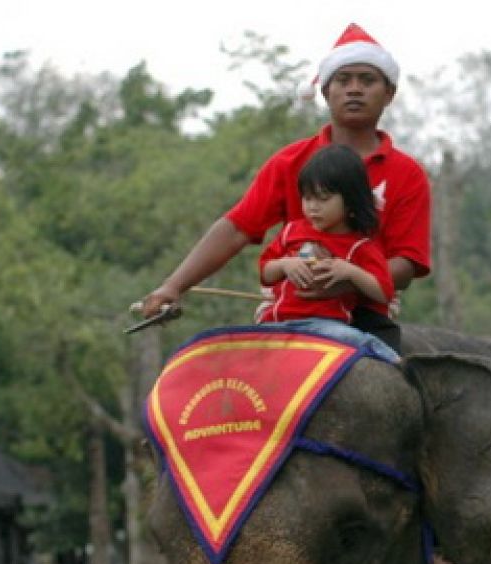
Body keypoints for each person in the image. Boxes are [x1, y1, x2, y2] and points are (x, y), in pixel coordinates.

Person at [140, 23, 430, 352]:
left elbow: (406, 265)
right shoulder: (289, 162)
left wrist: (346, 280)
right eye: (343, 80)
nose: (354, 89)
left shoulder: (408, 174)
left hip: (366, 314)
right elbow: (237, 228)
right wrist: (173, 286)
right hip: (288, 311)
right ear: (325, 91)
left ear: (388, 94)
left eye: (367, 80)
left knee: (390, 390)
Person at [254, 143, 398, 360]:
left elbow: (383, 292)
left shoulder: (361, 246)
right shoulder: (291, 230)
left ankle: (398, 365)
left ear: (350, 200)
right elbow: (265, 272)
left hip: (325, 328)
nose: (313, 207)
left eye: (323, 198)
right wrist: (285, 265)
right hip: (276, 322)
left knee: (359, 340)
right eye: (307, 198)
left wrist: (351, 272)